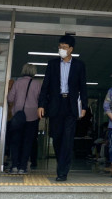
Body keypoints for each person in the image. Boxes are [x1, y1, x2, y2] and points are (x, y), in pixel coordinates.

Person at [37, 34, 87, 182]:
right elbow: (45, 86)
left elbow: (83, 87)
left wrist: (84, 106)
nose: (61, 50)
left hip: (71, 105)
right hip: (55, 104)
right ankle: (61, 164)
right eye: (60, 47)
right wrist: (41, 105)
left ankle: (62, 172)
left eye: (64, 47)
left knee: (68, 138)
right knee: (57, 137)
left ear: (71, 49)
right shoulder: (52, 64)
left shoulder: (79, 65)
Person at [8, 63, 42, 174]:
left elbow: (10, 98)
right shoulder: (37, 84)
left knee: (15, 141)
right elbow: (41, 99)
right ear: (34, 72)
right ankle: (23, 167)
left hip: (19, 116)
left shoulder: (17, 83)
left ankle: (14, 166)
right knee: (28, 142)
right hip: (32, 116)